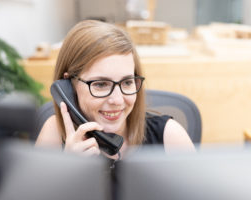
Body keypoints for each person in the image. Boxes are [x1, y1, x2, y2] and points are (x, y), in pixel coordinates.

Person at [35, 20, 194, 160]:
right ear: (68, 86)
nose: (118, 100)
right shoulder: (55, 133)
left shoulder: (170, 136)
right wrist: (65, 170)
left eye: (127, 82)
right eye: (101, 84)